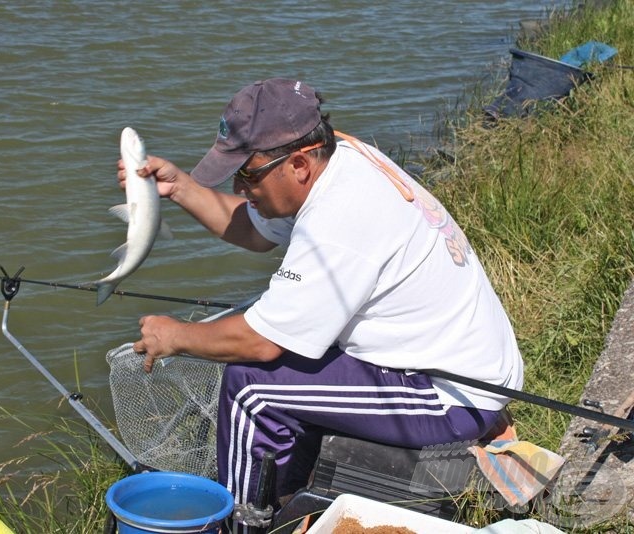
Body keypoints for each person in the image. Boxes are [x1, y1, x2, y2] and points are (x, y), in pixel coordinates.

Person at [123, 78, 523, 526]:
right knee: (288, 342)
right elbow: (255, 232)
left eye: (247, 174)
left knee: (251, 385)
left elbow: (259, 344)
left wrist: (175, 336)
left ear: (297, 163)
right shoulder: (337, 160)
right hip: (459, 364)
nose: (239, 186)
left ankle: (236, 525)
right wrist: (180, 188)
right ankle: (289, 491)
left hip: (448, 394)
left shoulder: (340, 218)